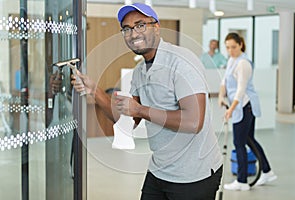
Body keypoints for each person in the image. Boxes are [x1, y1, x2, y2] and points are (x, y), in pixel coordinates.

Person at [72, 3, 223, 199]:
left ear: (156, 27)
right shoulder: (140, 72)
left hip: (194, 173)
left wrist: (141, 110)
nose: (133, 33)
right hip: (160, 169)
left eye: (140, 25)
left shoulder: (182, 61)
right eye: (127, 29)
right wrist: (95, 91)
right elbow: (126, 122)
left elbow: (193, 122)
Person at [218, 32, 277, 191]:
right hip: (239, 106)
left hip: (245, 105)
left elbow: (241, 89)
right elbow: (225, 80)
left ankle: (242, 181)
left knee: (239, 142)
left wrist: (231, 108)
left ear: (241, 45)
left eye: (234, 47)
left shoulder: (243, 63)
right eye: (228, 47)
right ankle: (266, 170)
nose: (231, 50)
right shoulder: (232, 60)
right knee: (249, 138)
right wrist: (221, 96)